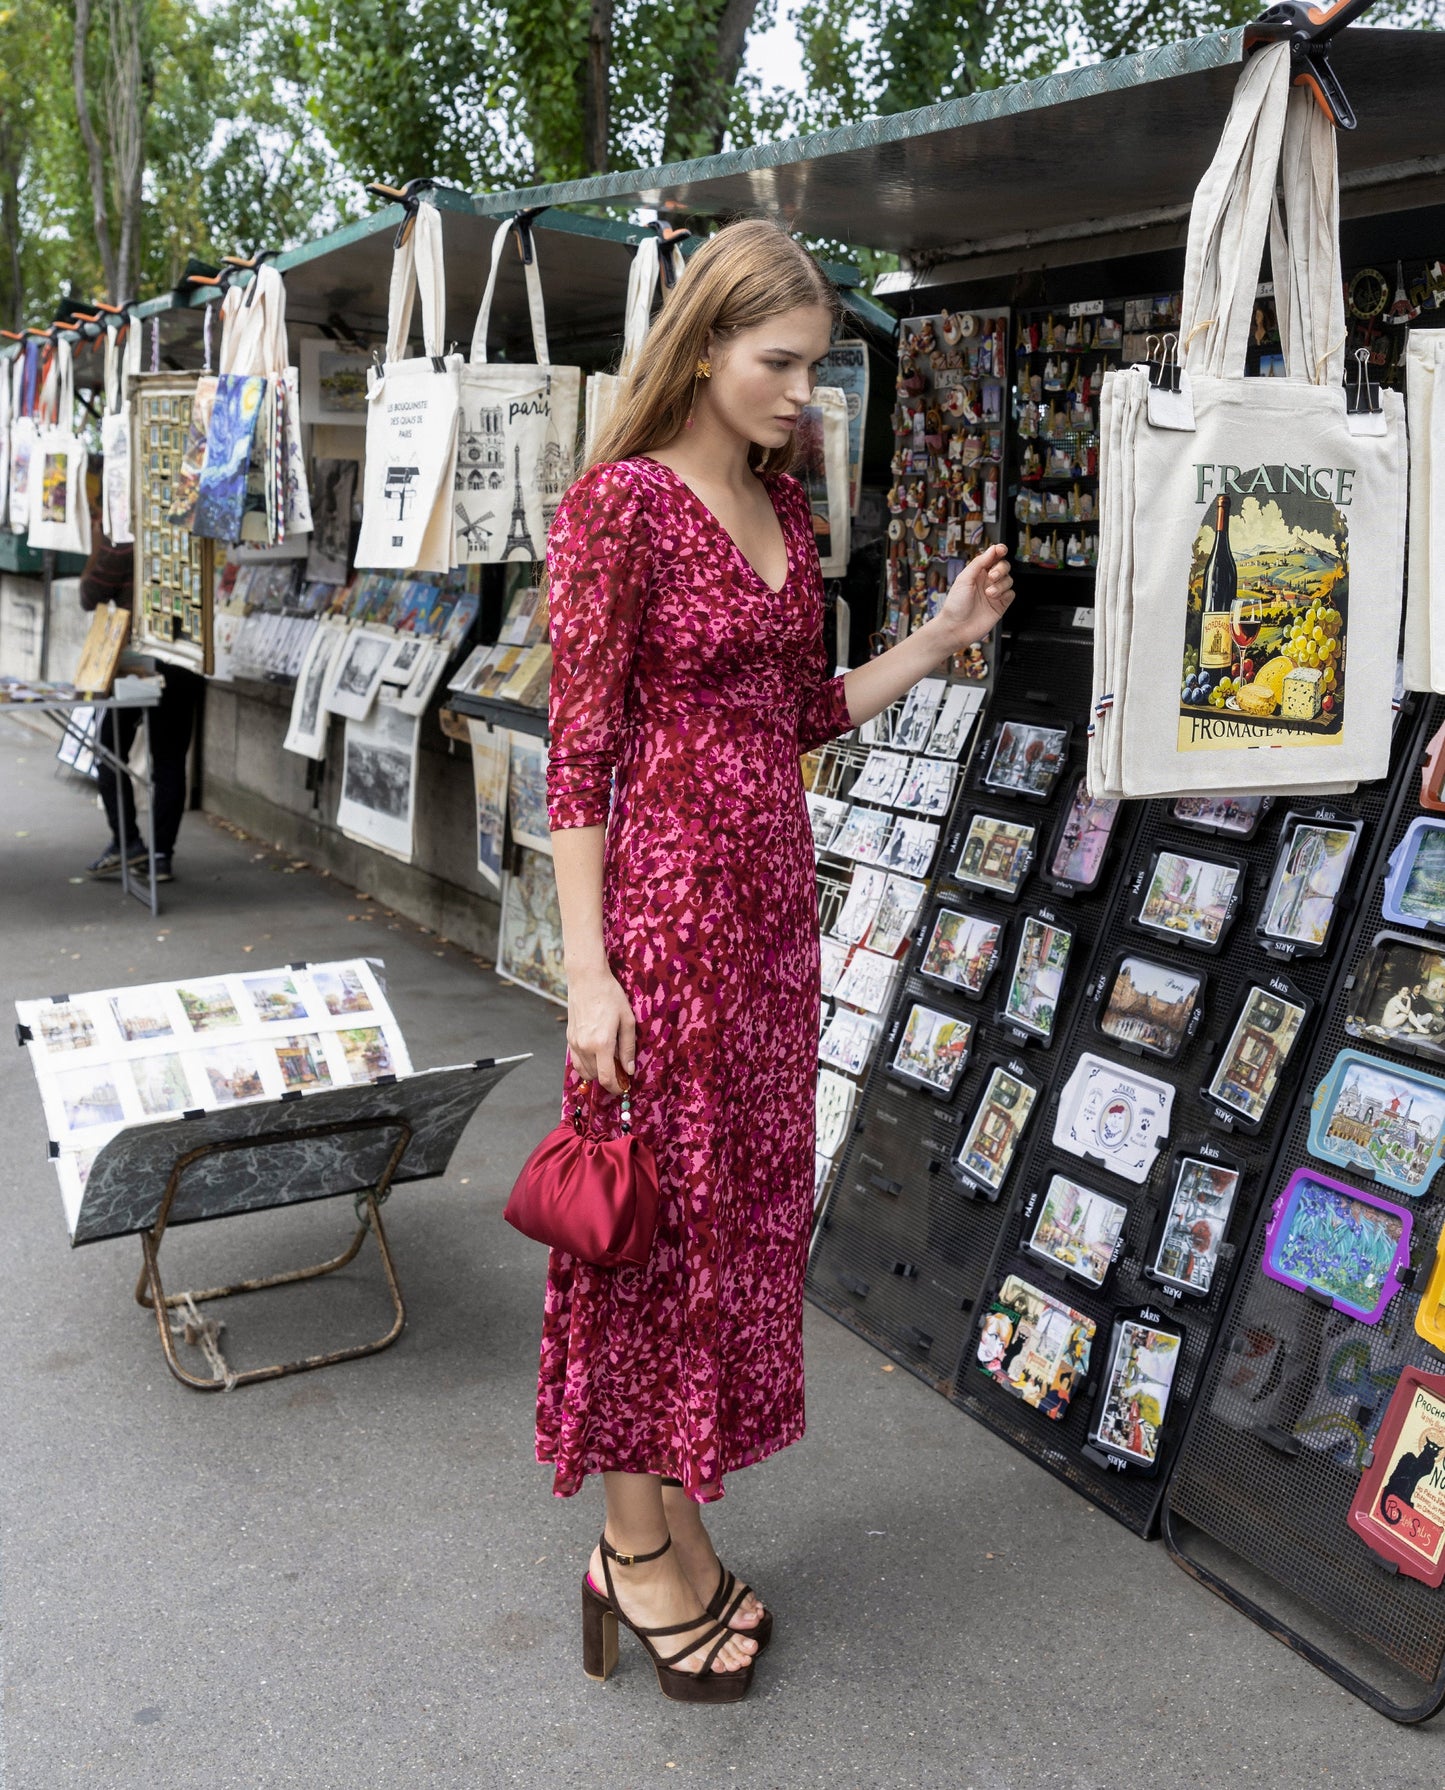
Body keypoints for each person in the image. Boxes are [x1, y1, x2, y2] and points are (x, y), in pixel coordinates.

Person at [541, 218, 1014, 1703]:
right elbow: (575, 763)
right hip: (662, 938)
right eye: (780, 362)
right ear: (702, 346)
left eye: (815, 366)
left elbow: (799, 711)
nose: (805, 392)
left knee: (724, 1230)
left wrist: (935, 638)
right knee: (642, 1237)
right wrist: (587, 971)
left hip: (765, 934)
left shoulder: (781, 499)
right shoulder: (620, 507)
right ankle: (626, 1537)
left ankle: (670, 1509)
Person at [78, 498, 201, 883]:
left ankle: (128, 842)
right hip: (185, 657)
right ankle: (160, 855)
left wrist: (98, 541)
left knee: (109, 746)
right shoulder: (193, 536)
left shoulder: (124, 541)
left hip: (138, 663)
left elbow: (89, 595)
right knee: (168, 759)